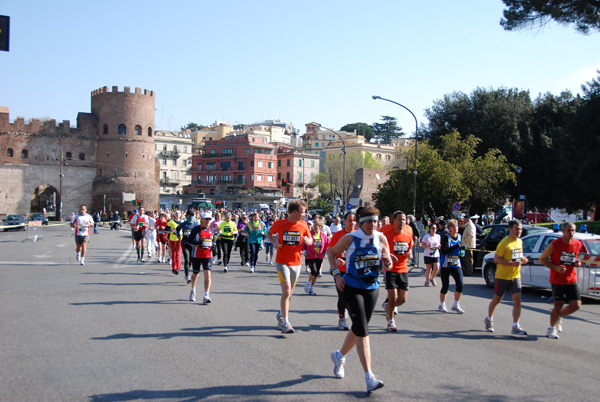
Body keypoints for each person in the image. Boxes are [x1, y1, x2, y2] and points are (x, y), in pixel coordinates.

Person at [327, 207, 393, 394]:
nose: (373, 225)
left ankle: (339, 356)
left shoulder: (381, 238)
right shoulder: (350, 238)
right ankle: (369, 376)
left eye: (375, 221)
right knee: (363, 330)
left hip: (372, 288)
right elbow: (331, 253)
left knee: (358, 328)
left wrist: (388, 261)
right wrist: (337, 274)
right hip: (351, 287)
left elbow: (389, 262)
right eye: (369, 221)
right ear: (361, 223)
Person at [266, 200, 312, 334]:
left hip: (296, 263)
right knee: (286, 290)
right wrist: (274, 243)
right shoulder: (280, 224)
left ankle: (281, 313)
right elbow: (269, 234)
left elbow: (310, 240)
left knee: (289, 293)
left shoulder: (303, 225)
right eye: (302, 212)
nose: (304, 215)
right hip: (282, 262)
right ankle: (286, 322)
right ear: (294, 212)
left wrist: (307, 241)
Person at [539, 222, 583, 339]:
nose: (571, 233)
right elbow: (542, 259)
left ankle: (559, 316)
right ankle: (551, 328)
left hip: (571, 278)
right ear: (563, 231)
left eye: (573, 230)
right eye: (569, 230)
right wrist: (556, 268)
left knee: (576, 305)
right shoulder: (555, 244)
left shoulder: (577, 244)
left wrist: (577, 262)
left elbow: (572, 258)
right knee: (558, 304)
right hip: (557, 279)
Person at [484, 219, 529, 335]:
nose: (519, 231)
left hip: (515, 275)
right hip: (503, 276)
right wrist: (510, 263)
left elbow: (518, 255)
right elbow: (496, 259)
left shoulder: (519, 241)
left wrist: (523, 259)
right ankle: (489, 319)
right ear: (510, 229)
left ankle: (515, 326)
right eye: (517, 229)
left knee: (517, 301)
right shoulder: (504, 243)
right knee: (497, 299)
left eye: (520, 229)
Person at [380, 211, 413, 332]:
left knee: (402, 299)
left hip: (403, 269)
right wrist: (387, 255)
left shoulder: (407, 234)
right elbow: (379, 245)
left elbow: (410, 247)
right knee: (392, 297)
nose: (402, 222)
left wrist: (410, 253)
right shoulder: (386, 233)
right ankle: (390, 321)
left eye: (404, 219)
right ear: (393, 221)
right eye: (399, 219)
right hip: (390, 269)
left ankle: (388, 307)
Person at [329, 211, 357, 330]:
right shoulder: (338, 236)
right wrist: (336, 259)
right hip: (340, 271)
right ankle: (341, 318)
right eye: (350, 220)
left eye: (354, 220)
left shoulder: (359, 235)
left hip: (355, 271)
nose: (352, 223)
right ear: (344, 221)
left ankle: (349, 313)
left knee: (353, 297)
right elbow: (330, 252)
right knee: (342, 296)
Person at [187, 211, 216, 304]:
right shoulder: (196, 229)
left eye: (209, 219)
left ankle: (206, 295)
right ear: (202, 219)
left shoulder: (212, 228)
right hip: (197, 255)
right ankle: (193, 290)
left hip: (207, 255)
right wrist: (198, 243)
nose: (208, 221)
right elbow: (189, 240)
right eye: (206, 219)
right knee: (196, 274)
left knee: (208, 274)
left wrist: (214, 247)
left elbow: (213, 240)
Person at [438, 219, 465, 314]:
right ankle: (442, 304)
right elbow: (444, 251)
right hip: (446, 264)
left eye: (457, 226)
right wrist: (456, 246)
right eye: (454, 226)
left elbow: (460, 248)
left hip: (456, 263)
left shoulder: (460, 237)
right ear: (450, 228)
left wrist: (462, 251)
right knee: (445, 286)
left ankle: (456, 304)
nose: (456, 228)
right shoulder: (446, 237)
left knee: (460, 284)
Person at [302, 218, 330, 296]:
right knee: (313, 271)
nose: (315, 226)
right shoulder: (309, 234)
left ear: (320, 226)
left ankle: (312, 287)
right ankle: (308, 283)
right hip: (310, 255)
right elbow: (303, 244)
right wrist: (304, 251)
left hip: (320, 255)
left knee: (316, 273)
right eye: (314, 225)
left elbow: (327, 245)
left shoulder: (323, 235)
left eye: (317, 225)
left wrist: (328, 252)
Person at [178, 210, 199, 283]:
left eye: (192, 216)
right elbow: (178, 229)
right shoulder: (183, 224)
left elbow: (200, 232)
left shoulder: (196, 224)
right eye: (189, 216)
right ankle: (187, 276)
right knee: (187, 259)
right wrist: (178, 236)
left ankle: (187, 270)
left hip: (193, 244)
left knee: (191, 260)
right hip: (185, 243)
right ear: (186, 216)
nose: (191, 217)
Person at [167, 210, 183, 275]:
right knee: (173, 254)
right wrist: (171, 230)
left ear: (180, 215)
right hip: (172, 239)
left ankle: (178, 269)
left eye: (179, 213)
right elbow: (166, 230)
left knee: (178, 254)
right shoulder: (171, 222)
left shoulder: (182, 222)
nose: (177, 214)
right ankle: (174, 267)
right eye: (176, 213)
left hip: (180, 239)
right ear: (174, 215)